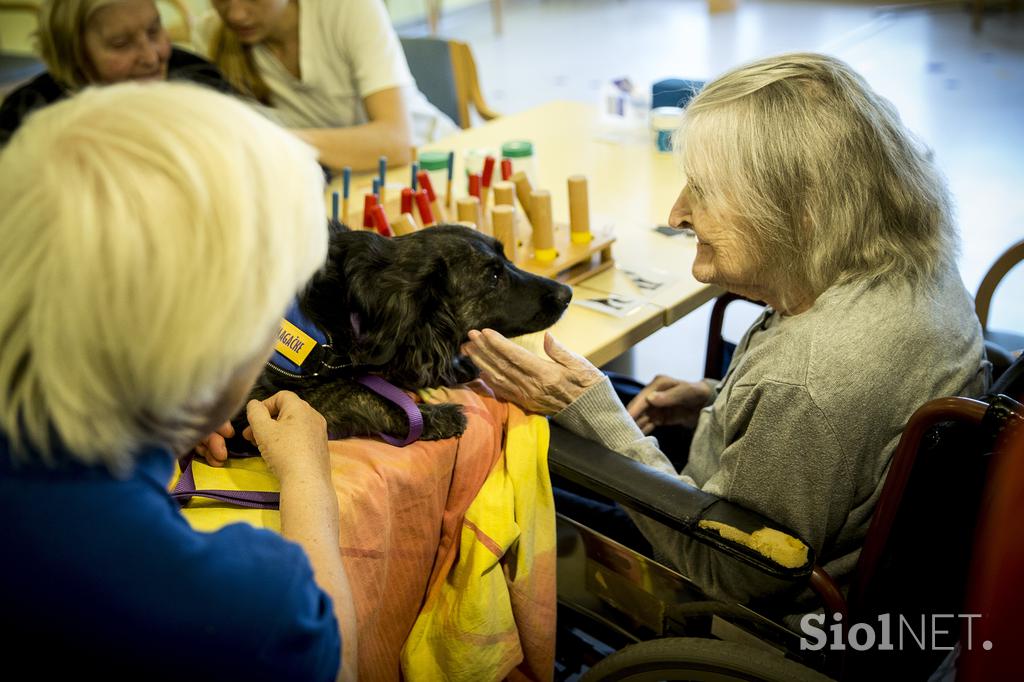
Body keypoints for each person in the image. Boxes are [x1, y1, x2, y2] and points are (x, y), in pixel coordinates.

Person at [463, 53, 989, 609]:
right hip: (821, 535)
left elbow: (739, 577)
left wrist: (600, 420)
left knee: (503, 471)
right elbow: (849, 433)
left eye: (704, 191)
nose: (677, 213)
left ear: (801, 211)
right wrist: (719, 402)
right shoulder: (914, 266)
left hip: (734, 605)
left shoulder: (811, 381)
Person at [0, 81, 356, 680]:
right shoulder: (243, 604)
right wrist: (307, 482)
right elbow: (339, 661)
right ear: (214, 347)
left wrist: (155, 421)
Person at [196, 0, 458, 171]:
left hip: (431, 162)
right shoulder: (209, 35)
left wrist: (280, 141)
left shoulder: (347, 7)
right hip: (348, 182)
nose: (236, 14)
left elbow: (397, 141)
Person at [0, 0, 236, 146]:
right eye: (121, 44)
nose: (151, 58)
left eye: (154, 32)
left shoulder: (202, 84)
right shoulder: (26, 121)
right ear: (74, 53)